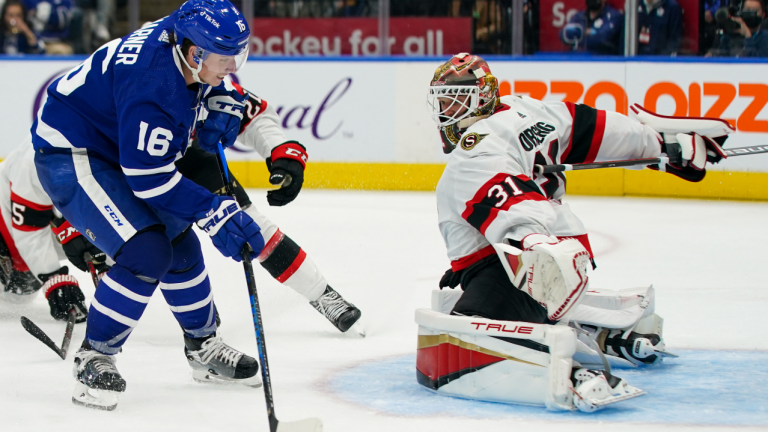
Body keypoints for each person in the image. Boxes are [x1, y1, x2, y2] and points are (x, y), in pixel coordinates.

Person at [30, 0, 351, 411]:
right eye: (225, 58)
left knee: (179, 242)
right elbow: (149, 178)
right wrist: (213, 210)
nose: (233, 66)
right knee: (147, 250)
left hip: (120, 144)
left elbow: (237, 102)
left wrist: (271, 141)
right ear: (194, 53)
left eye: (238, 55)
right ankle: (94, 356)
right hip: (74, 154)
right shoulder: (155, 85)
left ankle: (203, 349)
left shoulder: (188, 47)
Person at [423, 53, 732, 411]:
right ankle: (604, 330)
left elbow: (514, 205)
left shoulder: (475, 153)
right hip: (560, 248)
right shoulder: (525, 110)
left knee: (455, 343)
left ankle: (570, 372)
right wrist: (663, 146)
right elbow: (595, 127)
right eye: (442, 100)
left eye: (455, 99)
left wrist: (537, 248)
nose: (446, 111)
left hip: (531, 261)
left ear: (483, 95)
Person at [0, 137, 93, 322]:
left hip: (25, 262)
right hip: (10, 233)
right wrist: (54, 278)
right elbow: (30, 228)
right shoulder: (32, 159)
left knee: (19, 297)